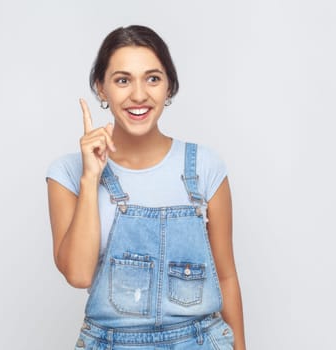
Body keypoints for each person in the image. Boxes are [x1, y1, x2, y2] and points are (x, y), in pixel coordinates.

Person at [46, 25, 246, 350]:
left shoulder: (205, 167)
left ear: (168, 87)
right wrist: (91, 176)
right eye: (122, 80)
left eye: (152, 78)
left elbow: (226, 277)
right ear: (101, 88)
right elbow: (79, 275)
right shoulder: (68, 173)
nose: (139, 95)